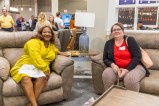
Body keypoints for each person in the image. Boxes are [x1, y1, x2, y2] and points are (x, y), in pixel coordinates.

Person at [10, 25, 68, 106]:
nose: (47, 34)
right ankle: (34, 104)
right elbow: (35, 56)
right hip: (26, 65)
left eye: (49, 32)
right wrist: (46, 69)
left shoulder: (51, 45)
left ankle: (30, 104)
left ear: (52, 35)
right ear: (40, 33)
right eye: (44, 32)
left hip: (38, 68)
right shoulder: (33, 42)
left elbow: (55, 50)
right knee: (25, 78)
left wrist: (62, 53)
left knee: (42, 79)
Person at [102, 23, 149, 92]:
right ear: (112, 33)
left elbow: (137, 56)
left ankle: (131, 102)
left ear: (123, 31)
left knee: (131, 78)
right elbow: (105, 58)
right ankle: (110, 98)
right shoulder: (108, 43)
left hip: (135, 67)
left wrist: (127, 70)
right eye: (114, 30)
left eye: (118, 29)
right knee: (106, 74)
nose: (116, 31)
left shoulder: (130, 40)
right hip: (117, 67)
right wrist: (112, 65)